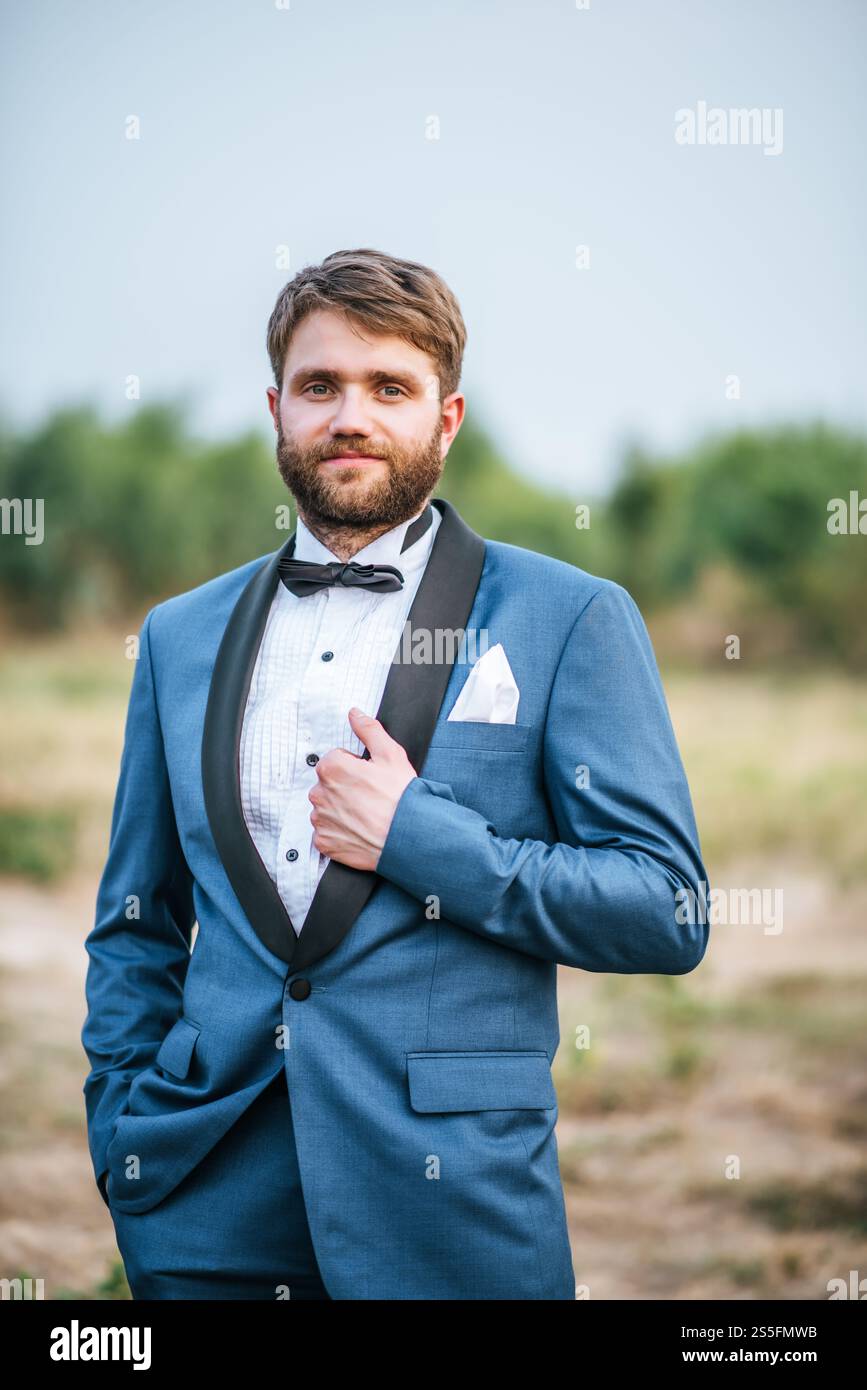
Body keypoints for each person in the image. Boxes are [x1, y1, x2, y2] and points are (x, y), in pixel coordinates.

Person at [81, 247, 709, 1300]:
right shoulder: (176, 636)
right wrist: (124, 1128)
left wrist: (420, 834)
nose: (350, 416)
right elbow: (137, 921)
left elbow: (668, 907)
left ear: (446, 417)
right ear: (276, 408)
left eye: (390, 388)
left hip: (454, 1211)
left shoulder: (569, 619)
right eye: (321, 386)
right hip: (204, 1206)